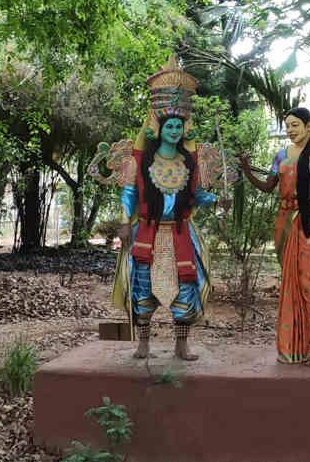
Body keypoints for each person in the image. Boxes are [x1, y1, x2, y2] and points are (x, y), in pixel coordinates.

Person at [90, 57, 227, 361]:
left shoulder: (190, 163)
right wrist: (125, 222)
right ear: (159, 128)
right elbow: (129, 192)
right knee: (142, 289)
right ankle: (143, 344)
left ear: (184, 128)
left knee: (185, 288)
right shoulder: (142, 162)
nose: (175, 130)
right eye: (170, 125)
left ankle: (182, 345)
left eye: (179, 125)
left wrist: (217, 201)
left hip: (181, 234)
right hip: (147, 234)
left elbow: (196, 197)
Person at [240, 106, 310, 366]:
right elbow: (268, 187)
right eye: (288, 126)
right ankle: (294, 347)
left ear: (309, 125)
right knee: (291, 284)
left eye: (295, 125)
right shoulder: (281, 156)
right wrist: (247, 170)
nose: (291, 130)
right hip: (285, 223)